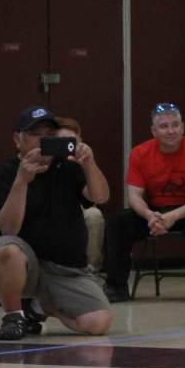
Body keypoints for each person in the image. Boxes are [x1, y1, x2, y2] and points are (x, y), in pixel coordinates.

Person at [0, 105, 114, 340]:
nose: (43, 140)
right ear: (17, 139)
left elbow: (101, 197)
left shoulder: (67, 167)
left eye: (50, 135)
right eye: (35, 134)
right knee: (7, 250)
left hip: (66, 270)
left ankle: (42, 307)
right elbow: (8, 228)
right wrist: (22, 181)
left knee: (98, 323)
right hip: (26, 266)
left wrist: (89, 164)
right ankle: (13, 316)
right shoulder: (6, 173)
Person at [103, 103, 185, 303]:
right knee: (118, 221)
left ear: (182, 127)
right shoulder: (140, 153)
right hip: (155, 213)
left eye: (175, 125)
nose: (171, 131)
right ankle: (116, 287)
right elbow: (134, 196)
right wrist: (150, 216)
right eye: (164, 126)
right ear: (154, 131)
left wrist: (173, 216)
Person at [56, 117, 105, 273]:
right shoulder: (41, 163)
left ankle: (90, 269)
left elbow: (98, 198)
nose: (67, 147)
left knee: (94, 215)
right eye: (62, 142)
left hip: (75, 214)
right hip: (49, 216)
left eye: (72, 142)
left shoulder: (80, 164)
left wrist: (89, 165)